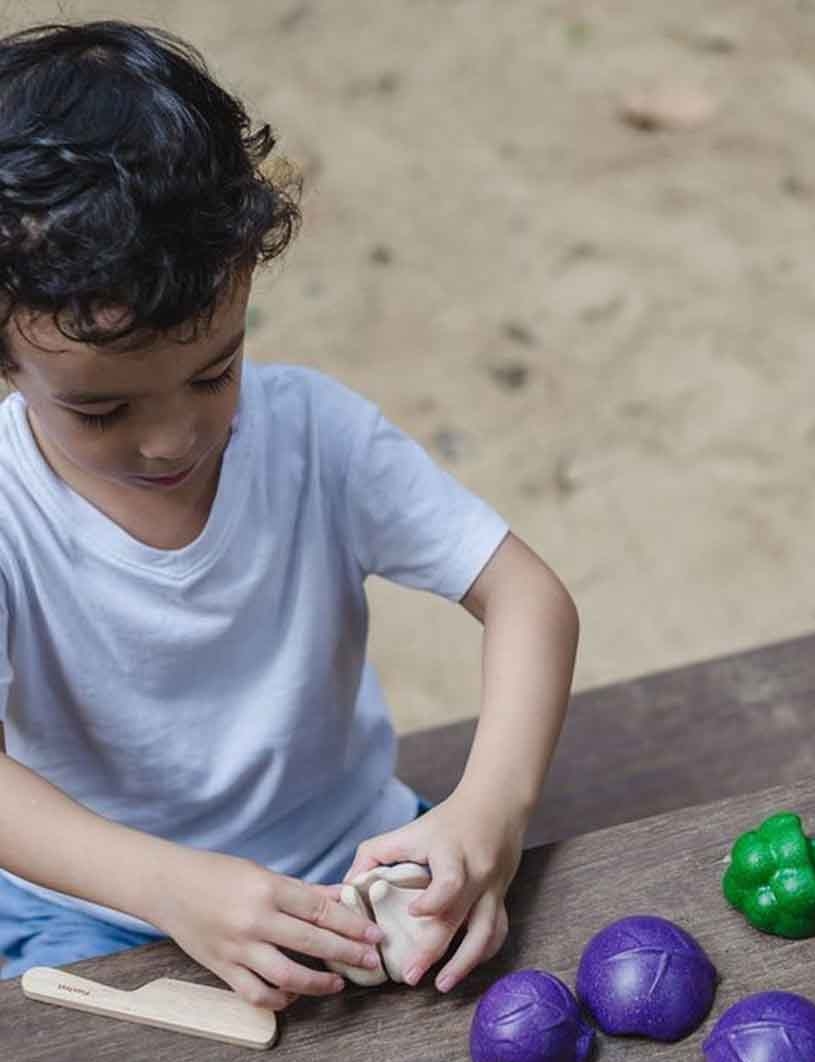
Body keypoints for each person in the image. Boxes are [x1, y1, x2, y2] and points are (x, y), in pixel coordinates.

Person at [0, 20, 579, 1010]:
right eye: (101, 411)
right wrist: (166, 887)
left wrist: (490, 810)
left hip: (352, 864)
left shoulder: (314, 434)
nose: (173, 439)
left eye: (213, 372)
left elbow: (527, 596)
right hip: (89, 906)